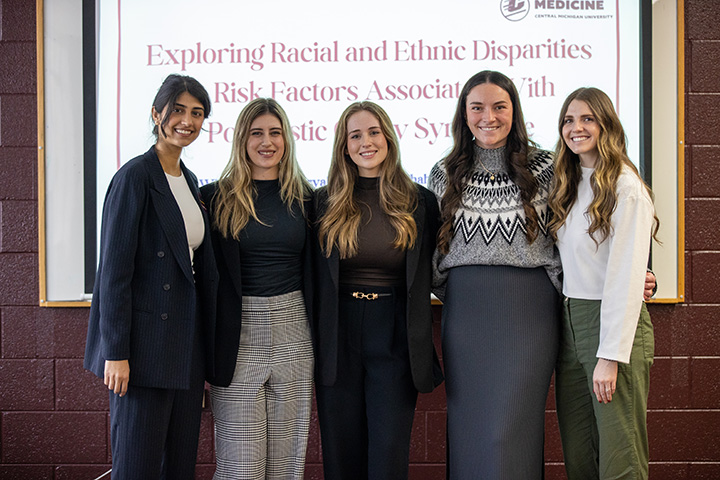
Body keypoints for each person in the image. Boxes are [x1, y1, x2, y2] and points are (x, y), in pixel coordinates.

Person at [428, 70, 562, 479]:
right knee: (470, 427)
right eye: (478, 107)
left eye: (499, 106)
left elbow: (586, 232)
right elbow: (432, 252)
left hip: (529, 311)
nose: (489, 116)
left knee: (511, 429)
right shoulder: (443, 172)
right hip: (466, 314)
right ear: (464, 115)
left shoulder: (547, 167)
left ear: (514, 111)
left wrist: (637, 272)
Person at [84, 74, 218, 479]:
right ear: (157, 113)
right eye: (178, 110)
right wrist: (116, 352)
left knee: (178, 467)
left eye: (197, 113)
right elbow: (114, 273)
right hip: (141, 354)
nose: (187, 121)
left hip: (184, 349)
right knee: (138, 467)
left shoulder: (189, 180)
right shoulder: (135, 177)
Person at [313, 101, 443, 480]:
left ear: (388, 137)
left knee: (388, 455)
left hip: (395, 337)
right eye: (355, 135)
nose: (366, 142)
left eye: (374, 132)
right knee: (342, 456)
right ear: (344, 146)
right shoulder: (322, 204)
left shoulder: (421, 202)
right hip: (338, 336)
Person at [199, 98, 314, 480]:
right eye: (257, 133)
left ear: (287, 139)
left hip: (295, 330)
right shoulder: (214, 198)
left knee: (286, 469)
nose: (267, 142)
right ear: (241, 140)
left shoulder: (308, 200)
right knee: (241, 469)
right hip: (237, 336)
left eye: (275, 133)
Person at [548, 87, 659, 479]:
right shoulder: (567, 181)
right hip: (571, 323)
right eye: (568, 120)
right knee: (580, 455)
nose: (576, 128)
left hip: (611, 328)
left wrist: (609, 356)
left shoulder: (626, 188)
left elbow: (626, 275)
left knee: (619, 458)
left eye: (587, 119)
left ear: (606, 124)